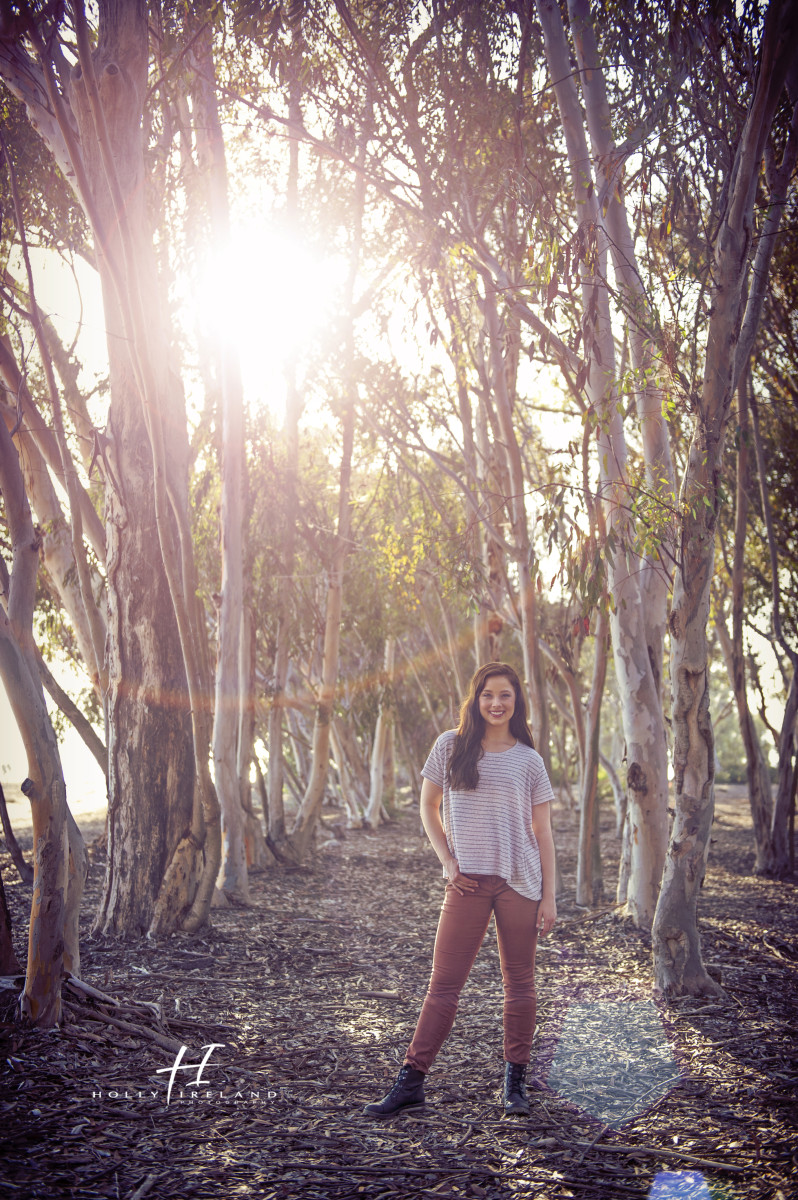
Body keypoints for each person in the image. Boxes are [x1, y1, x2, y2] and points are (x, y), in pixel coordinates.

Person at [364, 661, 557, 1120]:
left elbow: (544, 831)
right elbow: (428, 808)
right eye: (488, 694)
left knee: (520, 985)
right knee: (444, 986)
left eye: (505, 695)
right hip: (467, 881)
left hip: (519, 881)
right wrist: (448, 861)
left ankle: (515, 1084)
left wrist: (550, 896)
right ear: (476, 698)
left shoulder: (529, 759)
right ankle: (410, 1082)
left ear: (516, 701)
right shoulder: (449, 746)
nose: (496, 703)